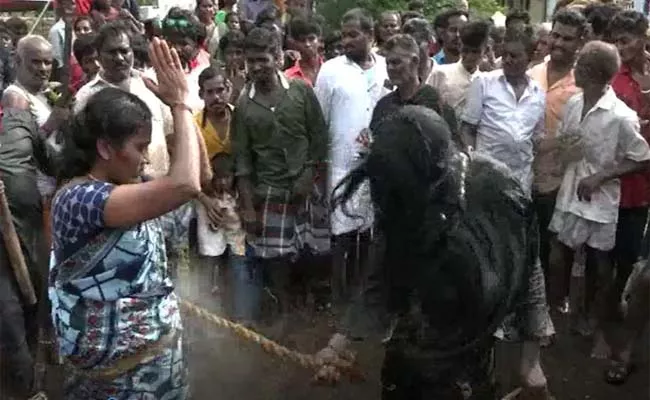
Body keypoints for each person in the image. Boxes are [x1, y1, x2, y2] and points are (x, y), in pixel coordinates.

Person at [314, 105, 552, 399]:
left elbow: (531, 271)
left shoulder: (500, 191)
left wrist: (531, 363)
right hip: (410, 363)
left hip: (472, 368)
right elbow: (381, 277)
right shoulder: (399, 199)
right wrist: (340, 344)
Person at [49, 38, 201, 399]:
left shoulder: (130, 187)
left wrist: (178, 108)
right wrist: (180, 104)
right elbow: (186, 184)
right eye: (140, 148)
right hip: (114, 383)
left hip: (155, 368)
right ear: (105, 148)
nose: (146, 160)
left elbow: (199, 175)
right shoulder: (79, 200)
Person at [548, 40, 650, 359]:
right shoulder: (575, 103)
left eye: (579, 65)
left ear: (592, 74)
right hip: (570, 190)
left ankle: (592, 316)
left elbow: (642, 158)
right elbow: (567, 143)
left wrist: (601, 176)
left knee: (599, 263)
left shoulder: (622, 116)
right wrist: (563, 153)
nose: (573, 69)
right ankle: (554, 311)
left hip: (600, 199)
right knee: (558, 253)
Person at [232, 27, 329, 333]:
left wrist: (307, 174)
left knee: (314, 248)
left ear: (277, 57)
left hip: (306, 184)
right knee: (275, 258)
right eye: (251, 61)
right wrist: (247, 207)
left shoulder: (301, 91)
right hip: (269, 189)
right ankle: (284, 309)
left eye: (263, 59)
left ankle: (311, 304)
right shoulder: (244, 105)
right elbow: (242, 162)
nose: (257, 66)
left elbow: (319, 138)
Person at [0, 35, 67, 399]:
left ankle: (30, 381)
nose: (42, 69)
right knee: (10, 311)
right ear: (17, 61)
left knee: (33, 301)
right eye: (34, 62)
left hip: (33, 218)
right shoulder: (14, 99)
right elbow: (16, 159)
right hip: (15, 217)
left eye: (47, 62)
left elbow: (49, 161)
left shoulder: (35, 103)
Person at [314, 8, 390, 303]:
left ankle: (367, 293)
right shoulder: (331, 70)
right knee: (342, 233)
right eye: (343, 35)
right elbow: (321, 120)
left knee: (372, 232)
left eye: (353, 35)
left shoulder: (386, 67)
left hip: (380, 162)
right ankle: (339, 295)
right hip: (341, 162)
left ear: (370, 36)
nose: (346, 41)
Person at [527, 8, 585, 309]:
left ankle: (552, 305)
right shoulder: (532, 71)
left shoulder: (584, 83)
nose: (559, 43)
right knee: (528, 243)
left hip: (561, 180)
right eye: (556, 35)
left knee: (557, 249)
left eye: (567, 39)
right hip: (526, 174)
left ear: (580, 42)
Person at [194, 67, 256, 323]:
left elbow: (251, 160)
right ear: (201, 94)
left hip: (239, 200)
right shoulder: (194, 125)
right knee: (210, 260)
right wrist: (205, 201)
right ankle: (211, 319)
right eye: (210, 92)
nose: (217, 96)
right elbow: (188, 169)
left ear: (229, 89)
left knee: (240, 258)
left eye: (221, 90)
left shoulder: (240, 119)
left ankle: (243, 318)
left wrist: (247, 201)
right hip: (205, 202)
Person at [75, 22, 173, 179]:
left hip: (161, 183)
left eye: (124, 51)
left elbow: (170, 134)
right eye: (112, 52)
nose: (119, 58)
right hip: (119, 192)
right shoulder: (86, 97)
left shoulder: (151, 85)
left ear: (132, 52)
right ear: (99, 56)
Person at [460, 26, 546, 198]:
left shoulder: (538, 93)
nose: (507, 60)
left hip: (521, 182)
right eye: (505, 54)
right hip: (485, 178)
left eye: (514, 56)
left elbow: (536, 139)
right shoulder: (484, 83)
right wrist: (472, 160)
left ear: (529, 57)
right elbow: (467, 128)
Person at [608, 10, 650, 336]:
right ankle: (604, 314)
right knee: (609, 251)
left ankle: (621, 301)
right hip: (619, 177)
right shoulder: (614, 77)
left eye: (627, 39)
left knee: (632, 253)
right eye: (617, 40)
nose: (621, 46)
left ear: (643, 37)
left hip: (645, 182)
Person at [370, 34, 456, 139]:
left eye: (396, 62)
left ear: (415, 61)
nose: (390, 68)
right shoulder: (384, 105)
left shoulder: (434, 102)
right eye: (387, 63)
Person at [427, 20, 490, 119]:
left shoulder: (486, 81)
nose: (469, 56)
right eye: (466, 51)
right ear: (460, 46)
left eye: (475, 52)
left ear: (485, 50)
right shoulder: (441, 73)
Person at [161, 7, 211, 110]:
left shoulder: (210, 68)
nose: (176, 49)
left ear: (197, 44)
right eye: (171, 43)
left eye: (183, 44)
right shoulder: (157, 73)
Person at [285, 17, 323, 86]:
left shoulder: (331, 69)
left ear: (319, 41)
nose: (307, 44)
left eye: (311, 39)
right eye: (302, 40)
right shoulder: (289, 76)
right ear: (295, 43)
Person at [401, 18, 436, 83]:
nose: (413, 50)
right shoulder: (396, 73)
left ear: (430, 43)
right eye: (408, 45)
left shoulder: (442, 75)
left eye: (417, 44)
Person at [218, 30, 247, 103]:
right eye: (229, 53)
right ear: (223, 55)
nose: (234, 57)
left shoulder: (251, 77)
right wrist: (235, 88)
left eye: (238, 53)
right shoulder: (216, 77)